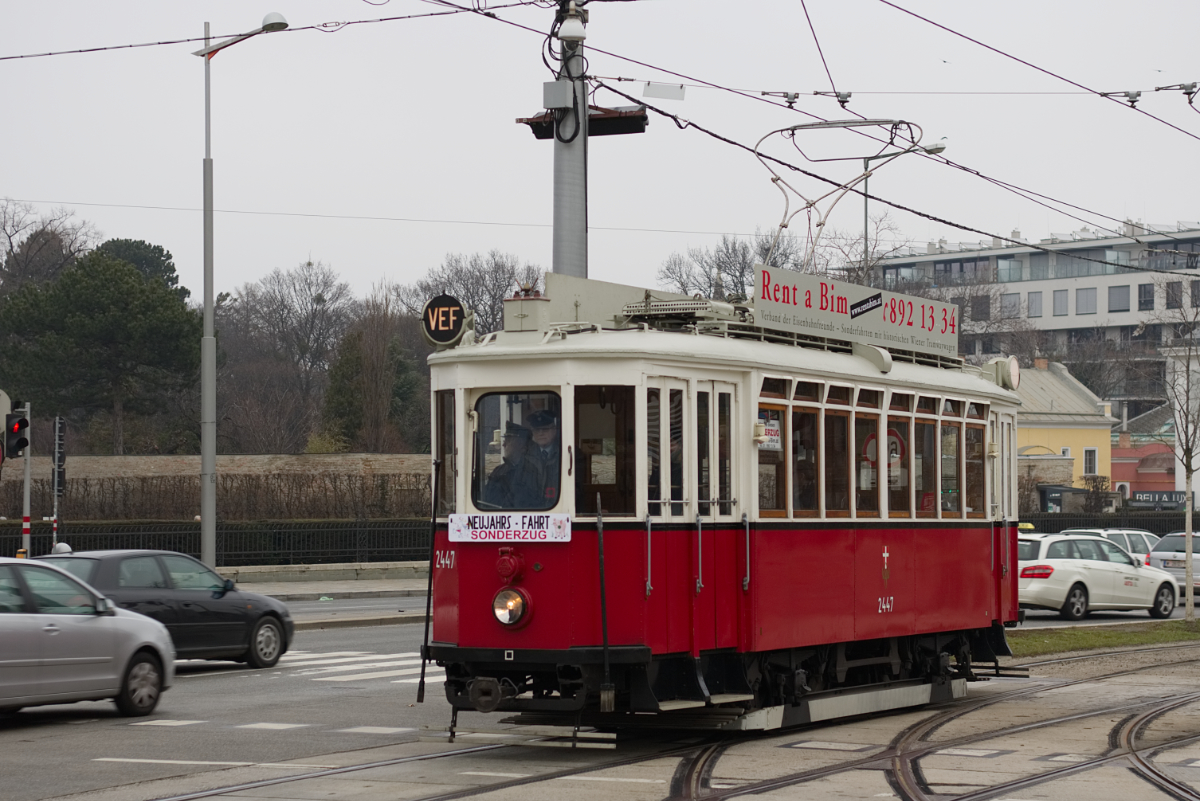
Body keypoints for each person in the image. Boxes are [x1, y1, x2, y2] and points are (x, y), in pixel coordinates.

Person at [483, 424, 542, 509]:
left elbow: (527, 503)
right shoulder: (498, 471)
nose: (503, 445)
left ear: (523, 447)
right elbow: (487, 501)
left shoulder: (531, 472)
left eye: (508, 440)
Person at [526, 409, 561, 504]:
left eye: (545, 429)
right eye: (537, 430)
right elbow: (518, 489)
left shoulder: (565, 452)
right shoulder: (525, 456)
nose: (540, 433)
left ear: (554, 430)